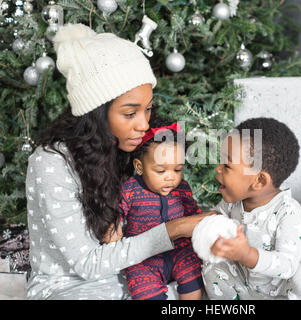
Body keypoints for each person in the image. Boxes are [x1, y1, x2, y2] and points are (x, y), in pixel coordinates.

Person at [24, 23, 212, 300]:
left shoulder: (139, 147)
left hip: (140, 273)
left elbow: (171, 200)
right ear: (96, 113)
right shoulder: (52, 163)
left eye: (147, 109)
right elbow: (87, 264)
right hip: (72, 287)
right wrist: (174, 230)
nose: (143, 124)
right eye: (129, 113)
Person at [200, 117, 301, 300]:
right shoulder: (233, 203)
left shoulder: (288, 210)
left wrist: (247, 254)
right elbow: (212, 222)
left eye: (227, 166)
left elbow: (287, 266)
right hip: (246, 286)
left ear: (259, 181)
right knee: (213, 266)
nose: (217, 169)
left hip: (282, 289)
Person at [119, 116, 203, 300]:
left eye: (177, 170)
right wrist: (113, 227)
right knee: (142, 285)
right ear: (140, 167)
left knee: (193, 273)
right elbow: (116, 211)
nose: (170, 178)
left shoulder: (182, 188)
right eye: (161, 171)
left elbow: (193, 215)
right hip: (145, 258)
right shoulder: (131, 188)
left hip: (180, 251)